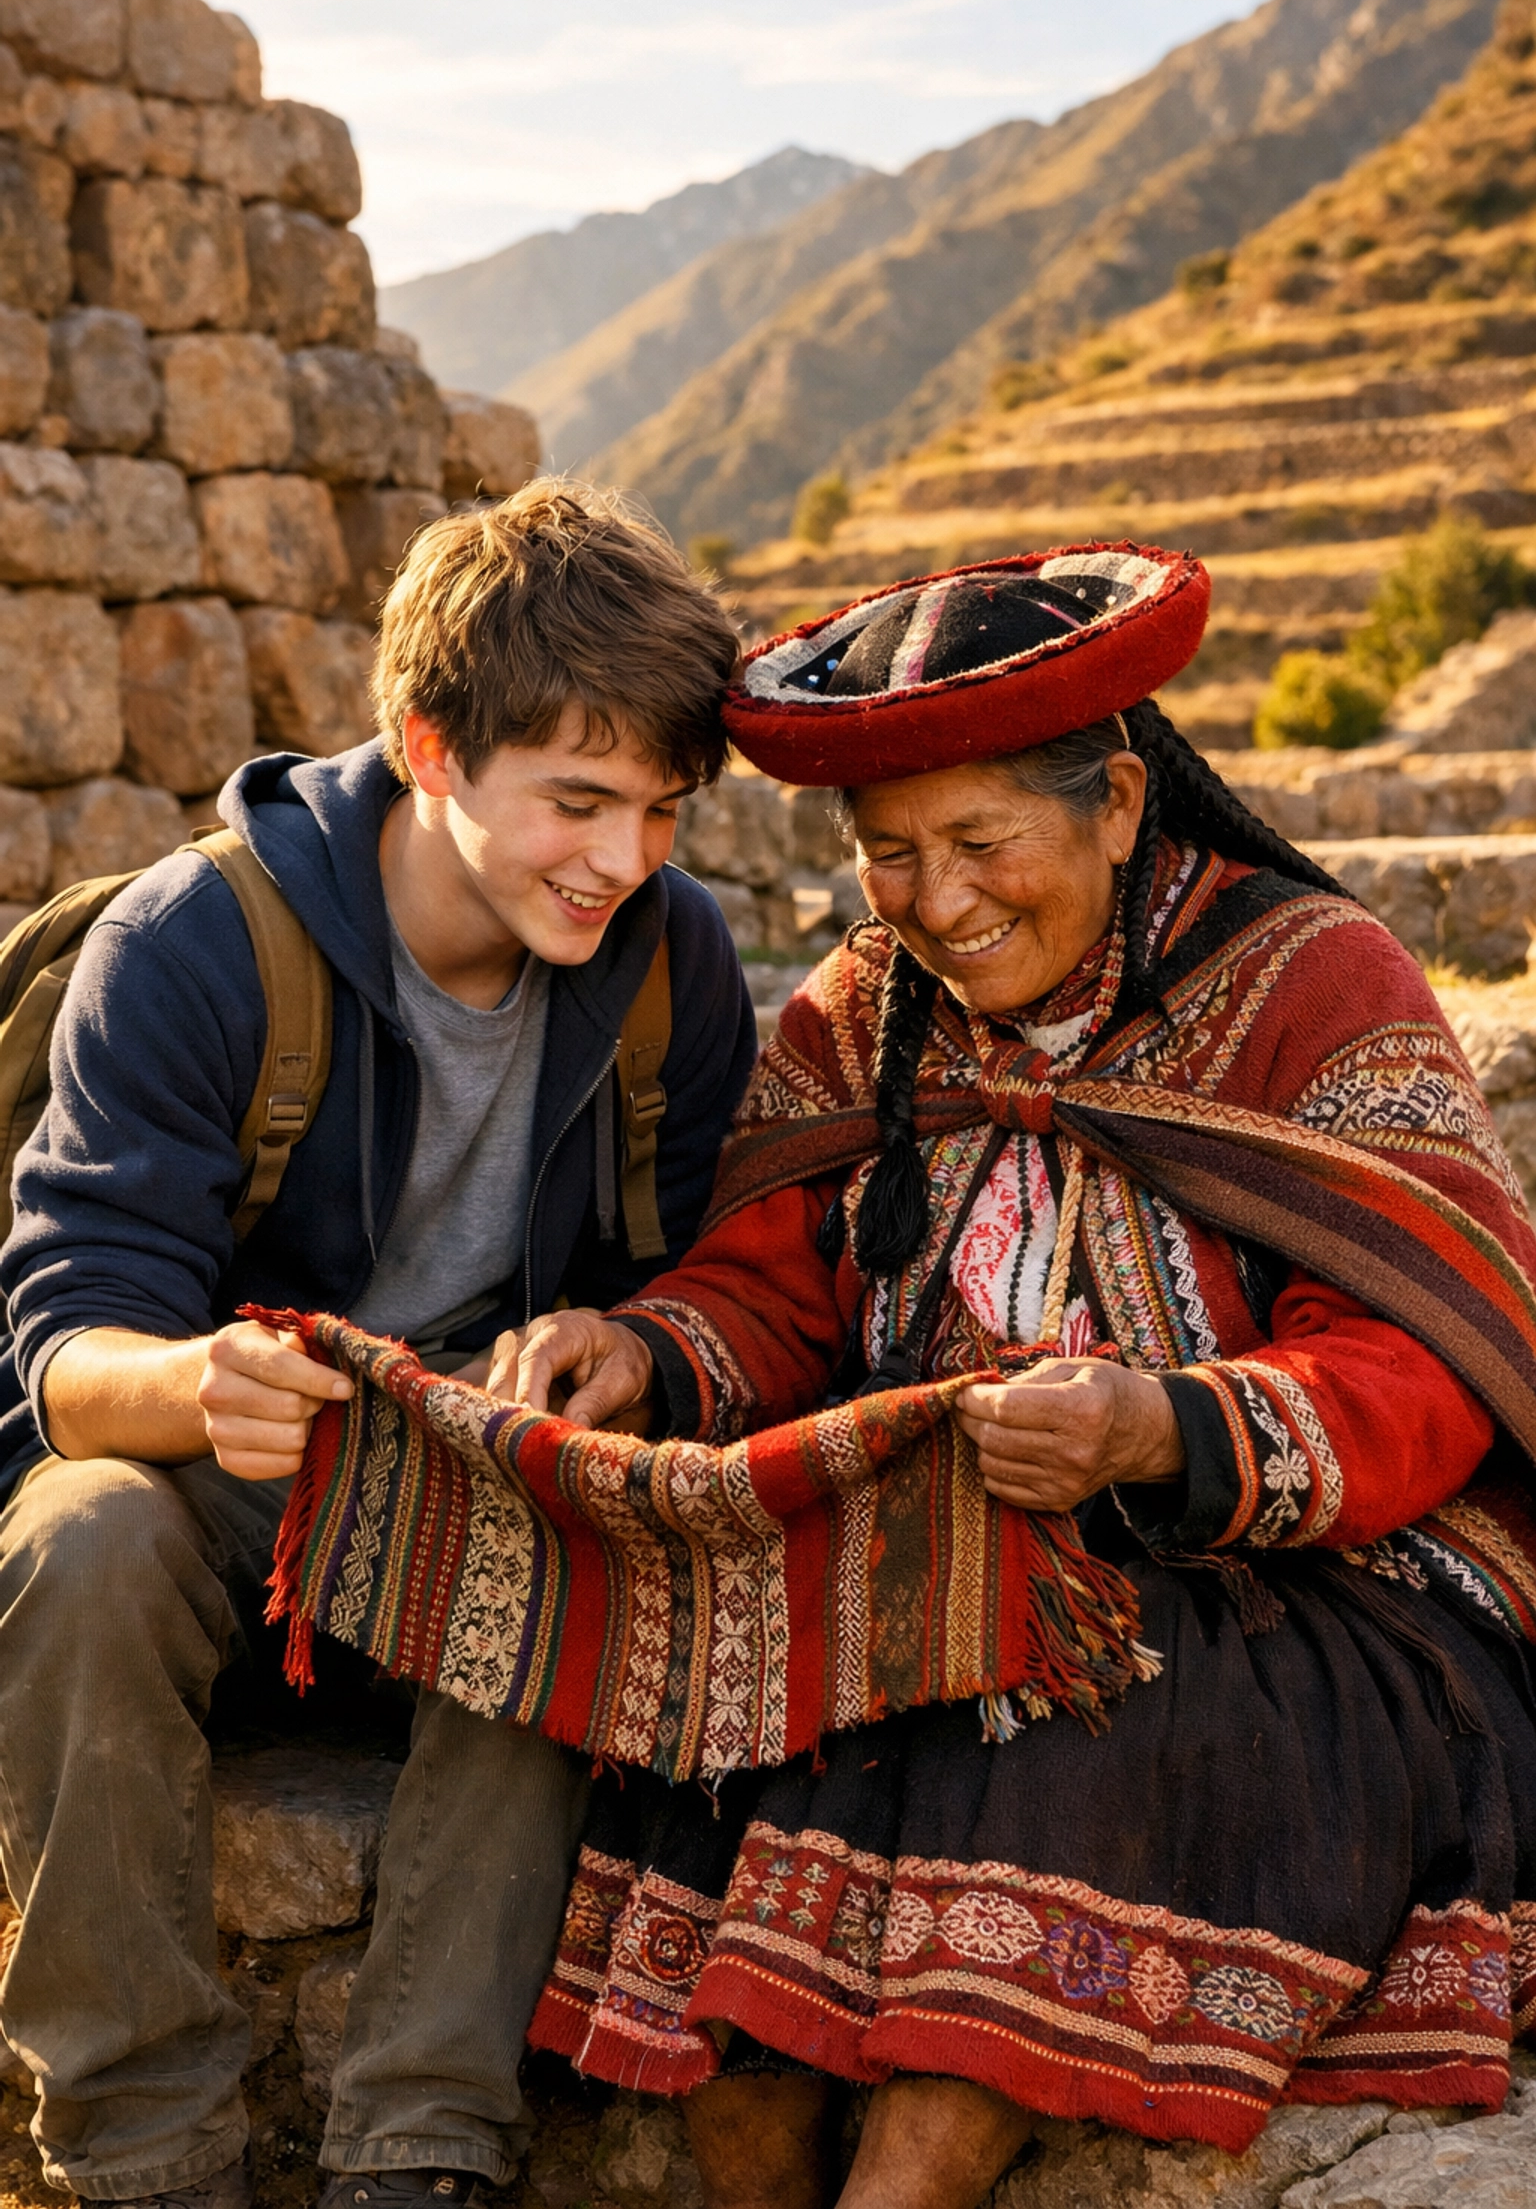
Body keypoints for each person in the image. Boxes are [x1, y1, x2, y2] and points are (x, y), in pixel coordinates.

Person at [508, 546, 1536, 2209]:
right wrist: (644, 1350)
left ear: (1121, 801)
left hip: (1293, 1599)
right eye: (891, 855)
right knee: (729, 1757)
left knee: (1078, 1730)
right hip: (946, 1569)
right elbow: (769, 1290)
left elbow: (1424, 1359)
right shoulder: (864, 1016)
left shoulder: (1316, 988)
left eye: (983, 842)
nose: (938, 899)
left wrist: (1158, 1427)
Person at [0, 480, 756, 2209]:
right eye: (575, 801)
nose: (621, 859)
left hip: (457, 1499)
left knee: (571, 1536)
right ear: (429, 746)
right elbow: (64, 1347)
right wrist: (200, 1385)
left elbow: (725, 1274)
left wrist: (632, 1342)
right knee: (83, 1530)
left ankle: (420, 2149)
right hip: (227, 1479)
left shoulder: (669, 963)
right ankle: (139, 2149)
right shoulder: (193, 945)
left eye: (658, 810)